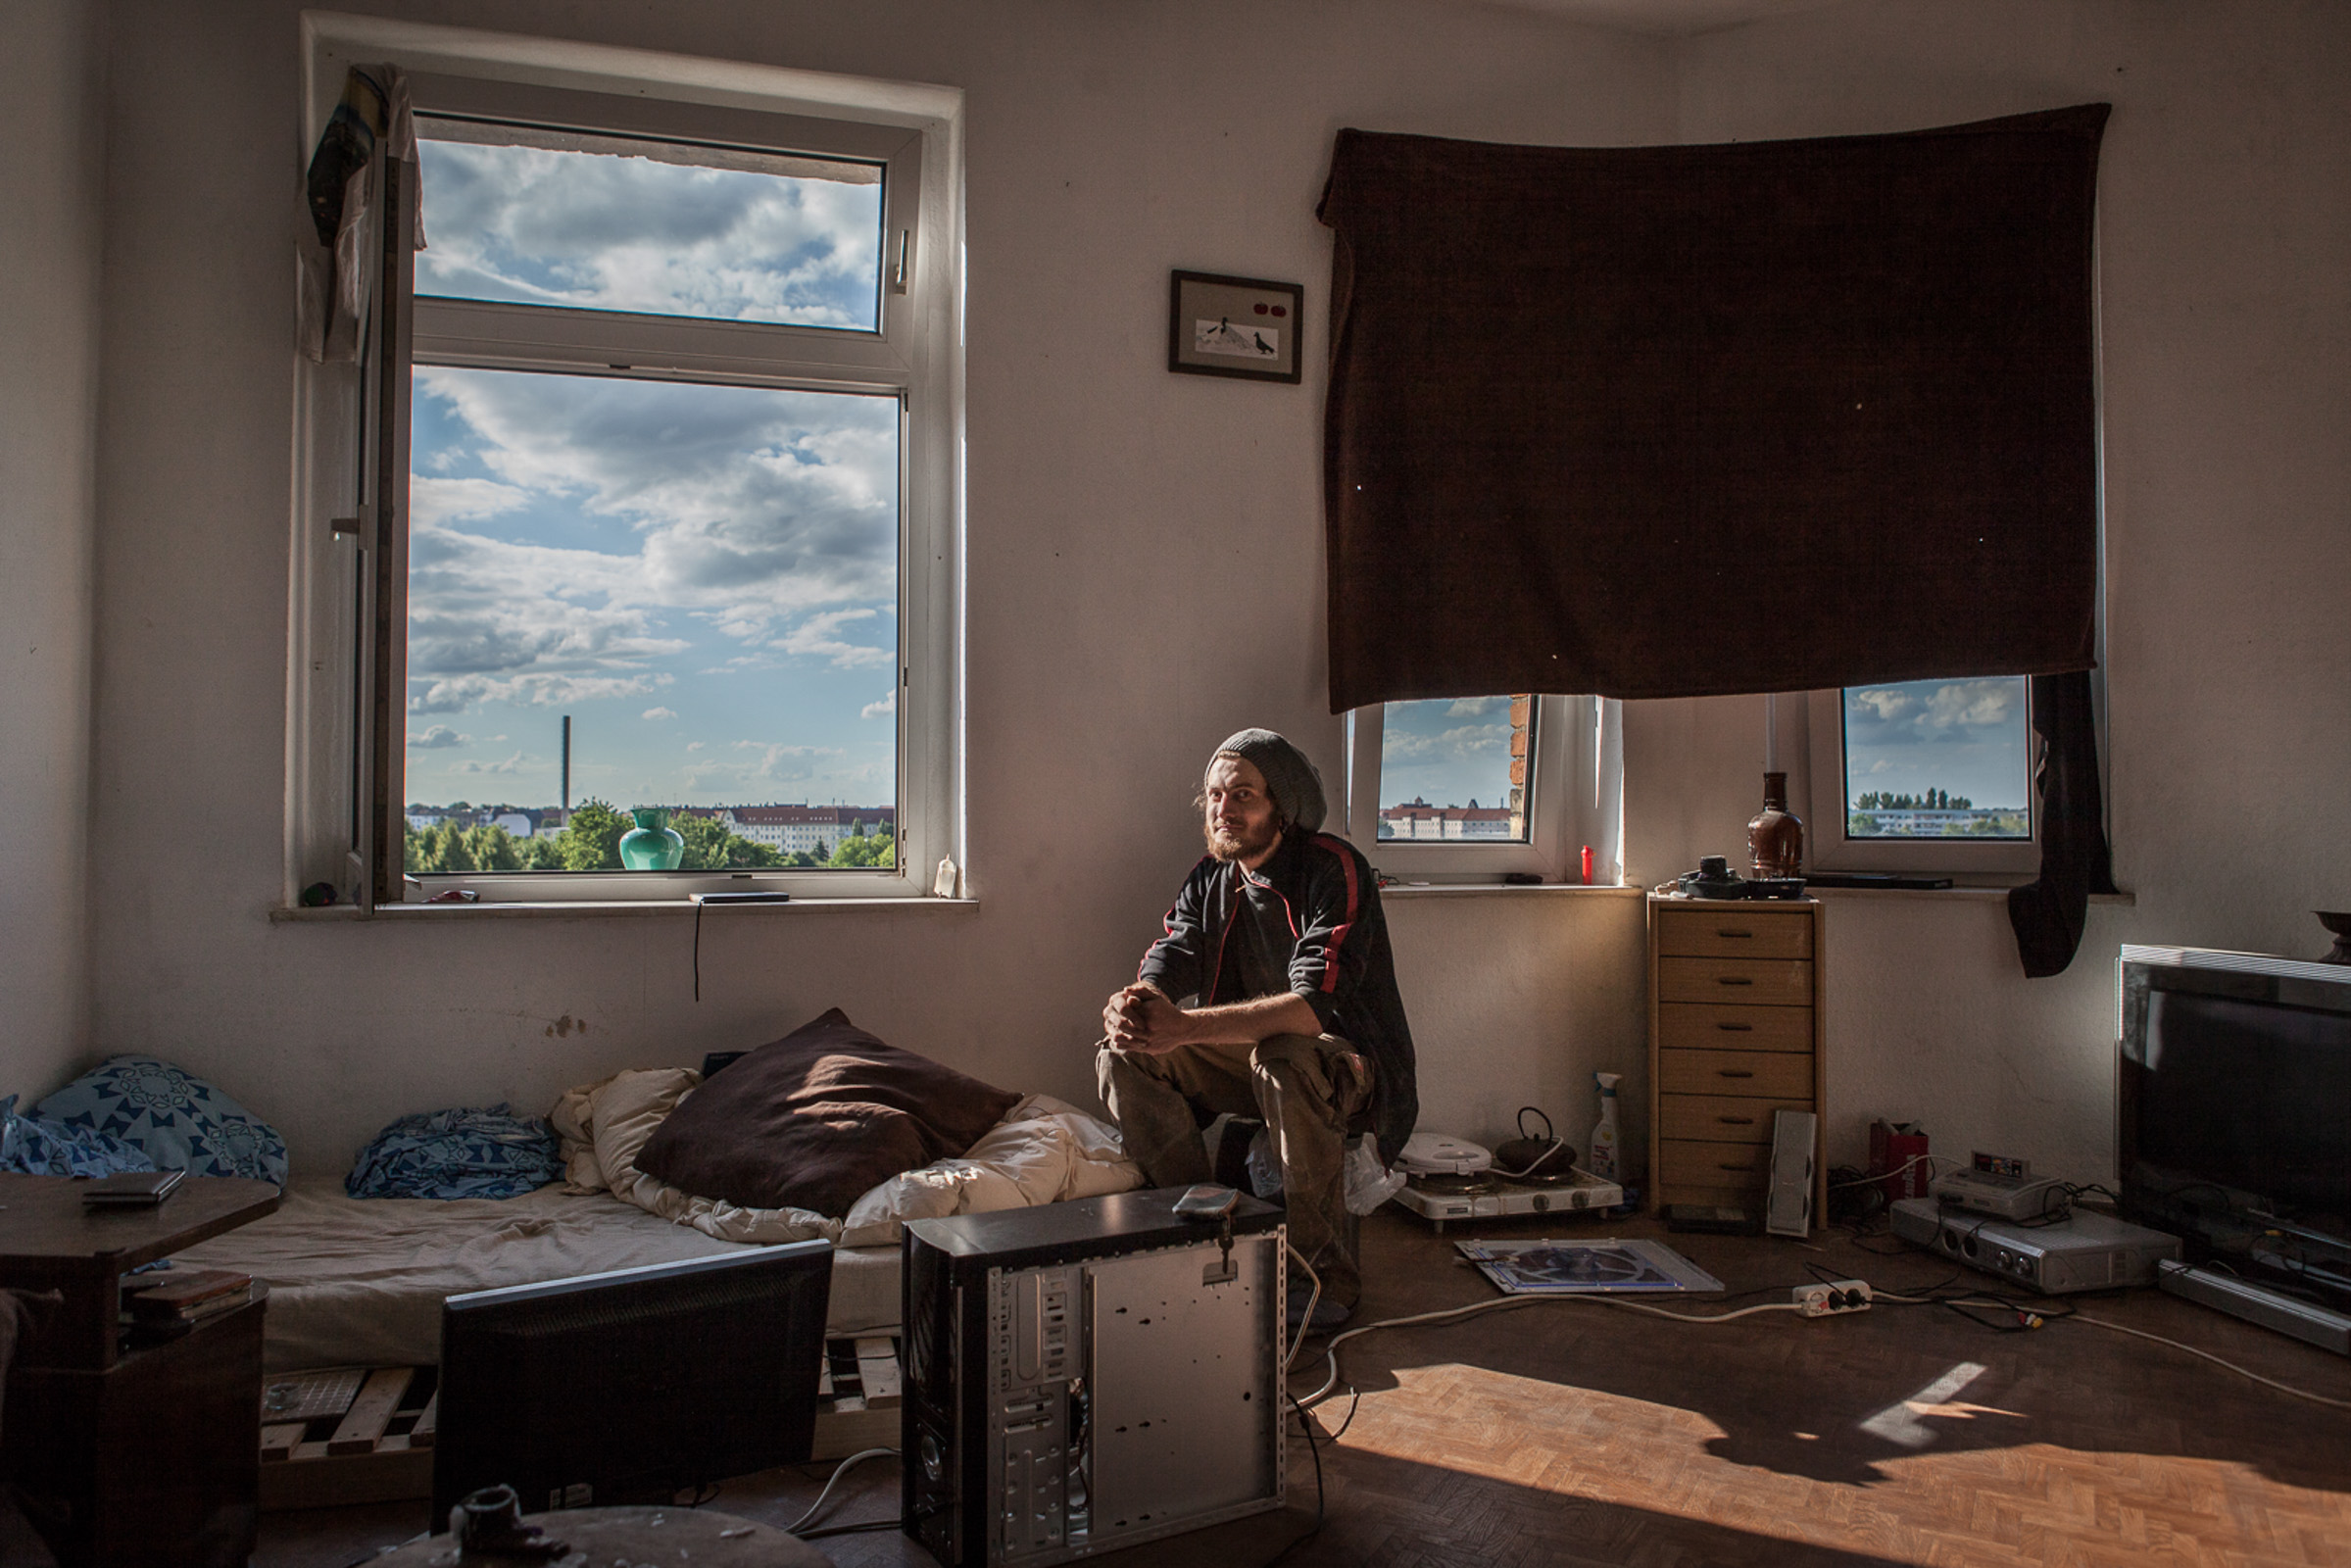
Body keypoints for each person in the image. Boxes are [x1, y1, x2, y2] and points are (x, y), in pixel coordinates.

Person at [1098, 728, 1417, 1330]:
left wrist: (1185, 1026)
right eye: (1216, 796)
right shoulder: (1210, 877)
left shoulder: (1335, 869)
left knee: (1285, 1056)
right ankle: (1205, 1238)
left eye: (1243, 795)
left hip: (1345, 1068)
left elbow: (1307, 1013)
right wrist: (1140, 1005)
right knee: (1124, 1055)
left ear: (1284, 805)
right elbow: (1173, 952)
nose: (1224, 809)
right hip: (1253, 1059)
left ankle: (1323, 1279)